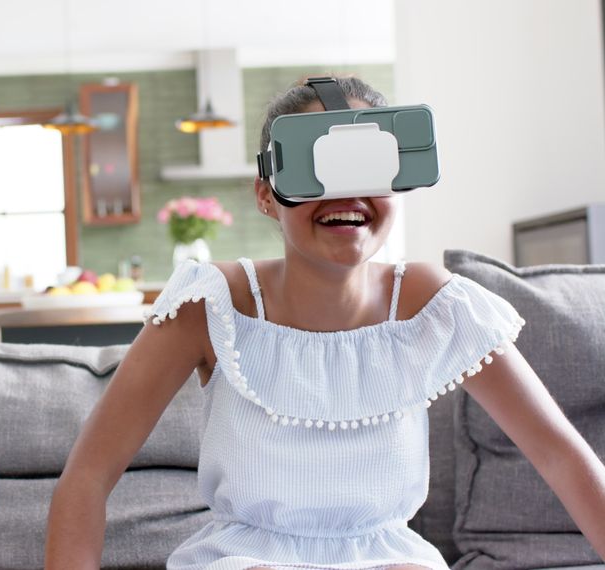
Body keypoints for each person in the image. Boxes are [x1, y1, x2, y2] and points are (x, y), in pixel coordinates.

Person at [45, 75, 605, 569]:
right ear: (267, 195)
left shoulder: (436, 303)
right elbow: (87, 478)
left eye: (366, 168)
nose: (346, 193)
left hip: (391, 561)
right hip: (243, 562)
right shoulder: (210, 302)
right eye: (320, 170)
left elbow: (562, 456)